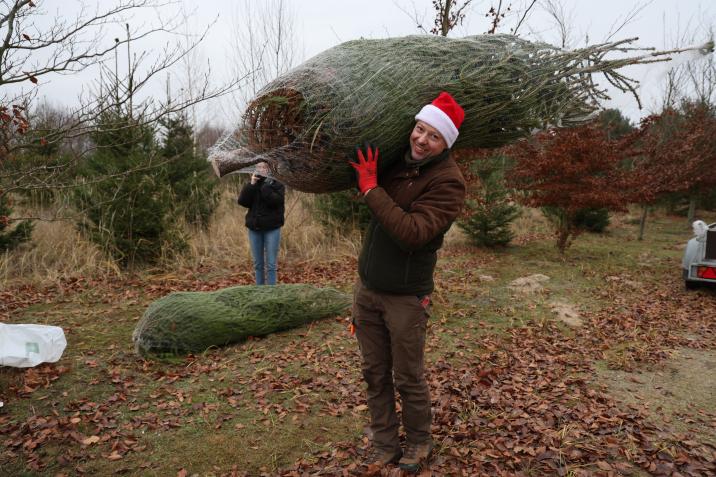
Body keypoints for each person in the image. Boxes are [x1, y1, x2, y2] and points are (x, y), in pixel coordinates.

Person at [349, 91, 467, 473]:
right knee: (374, 372)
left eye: (433, 136)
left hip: (405, 297)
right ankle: (384, 443)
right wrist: (370, 182)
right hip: (368, 289)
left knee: (408, 376)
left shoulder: (449, 183)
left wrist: (371, 189)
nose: (421, 139)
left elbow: (413, 233)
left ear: (445, 143)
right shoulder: (397, 163)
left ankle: (418, 443)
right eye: (419, 129)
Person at [237, 161, 286, 285]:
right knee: (258, 264)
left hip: (272, 229)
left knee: (271, 264)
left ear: (269, 169)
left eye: (264, 167)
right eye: (258, 167)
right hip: (255, 229)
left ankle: (270, 293)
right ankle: (259, 291)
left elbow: (276, 202)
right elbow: (243, 202)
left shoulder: (277, 183)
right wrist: (252, 184)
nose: (261, 169)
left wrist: (265, 186)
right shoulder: (253, 184)